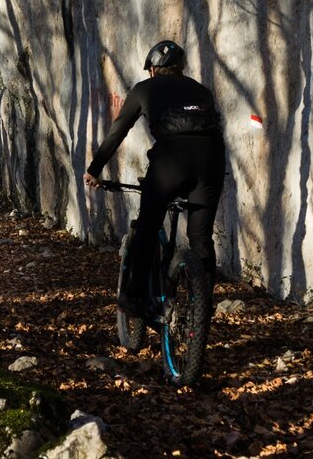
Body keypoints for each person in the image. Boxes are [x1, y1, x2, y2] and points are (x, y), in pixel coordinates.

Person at [83, 40, 226, 318]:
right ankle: (202, 307)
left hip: (170, 160)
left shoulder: (143, 89)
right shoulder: (201, 91)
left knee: (147, 227)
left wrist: (95, 169)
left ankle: (135, 296)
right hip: (211, 161)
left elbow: (118, 132)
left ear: (152, 70)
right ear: (180, 68)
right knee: (201, 238)